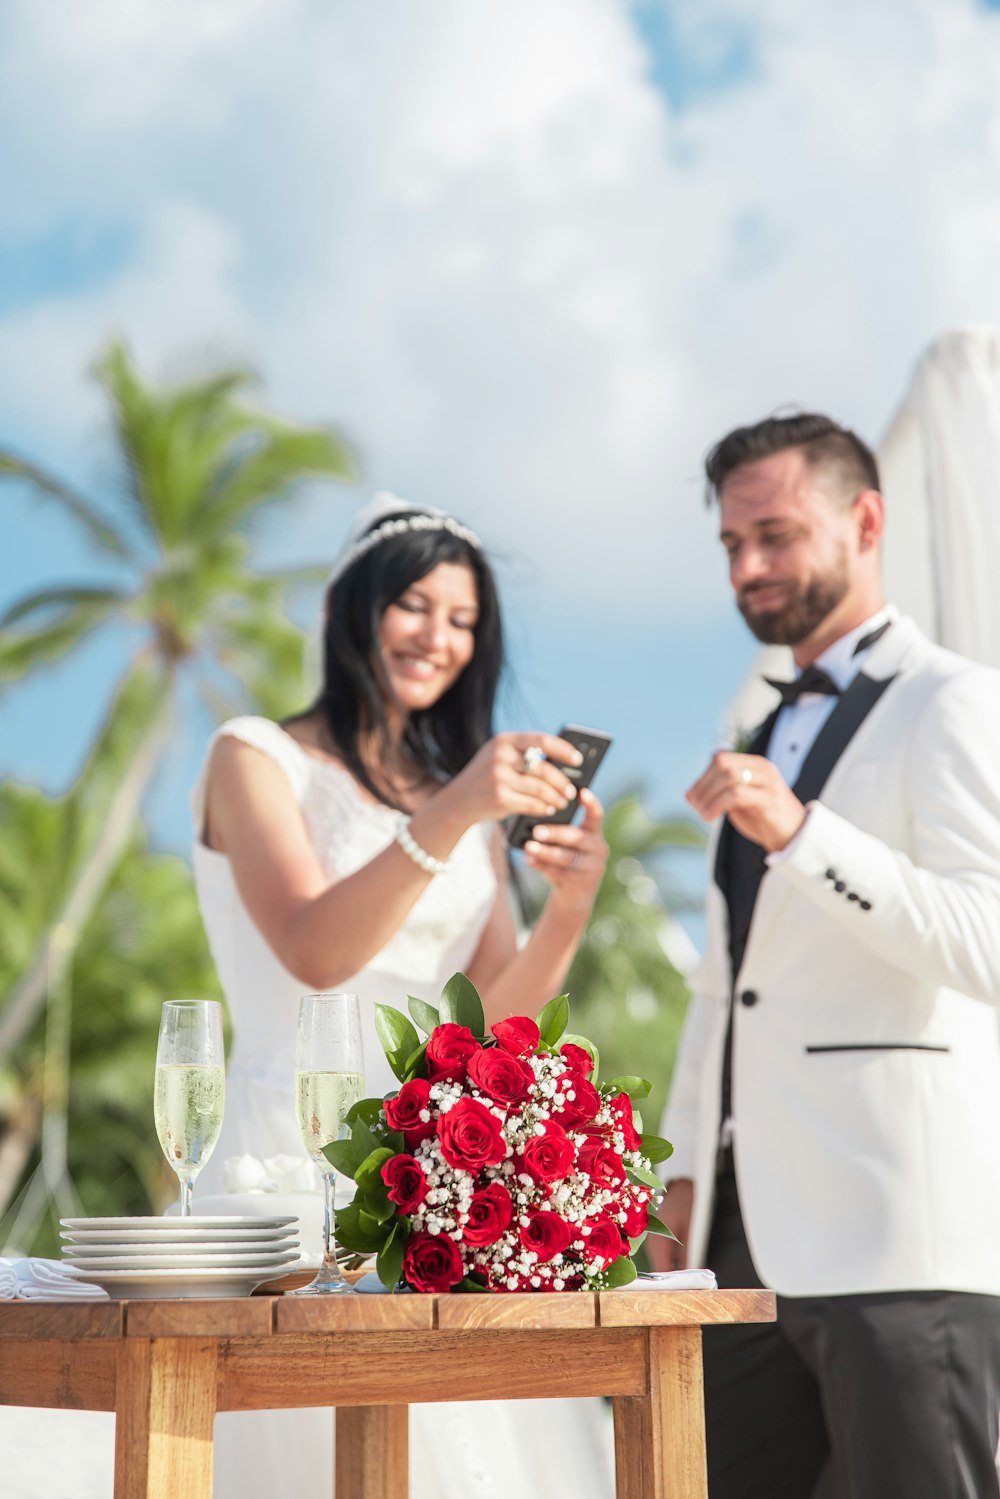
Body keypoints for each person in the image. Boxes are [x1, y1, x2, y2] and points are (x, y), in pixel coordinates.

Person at [192, 492, 613, 1499]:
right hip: (276, 1162)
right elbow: (313, 948)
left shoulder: (455, 787)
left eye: (465, 620)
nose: (440, 637)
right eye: (415, 605)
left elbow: (494, 1020)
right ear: (353, 606)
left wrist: (568, 906)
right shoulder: (253, 755)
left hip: (434, 1175)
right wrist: (458, 802)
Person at [656, 413, 1000, 1498]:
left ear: (865, 519)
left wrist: (805, 834)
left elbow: (987, 941)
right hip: (740, 1238)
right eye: (729, 544)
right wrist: (676, 1176)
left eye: (774, 533)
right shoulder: (754, 731)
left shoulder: (953, 699)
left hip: (900, 1236)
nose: (748, 566)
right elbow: (727, 981)